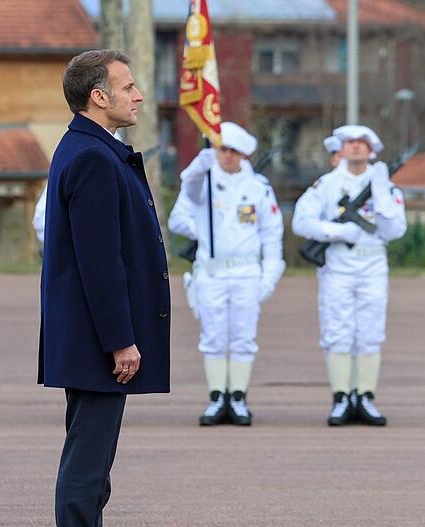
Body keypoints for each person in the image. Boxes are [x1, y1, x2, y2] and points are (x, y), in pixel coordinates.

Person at [38, 49, 170, 527]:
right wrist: (120, 340)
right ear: (98, 96)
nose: (138, 95)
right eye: (128, 86)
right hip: (96, 338)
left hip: (88, 333)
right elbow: (99, 261)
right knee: (88, 464)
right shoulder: (93, 156)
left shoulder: (88, 146)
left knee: (93, 463)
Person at [168, 122, 285, 426]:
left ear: (244, 154)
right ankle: (217, 396)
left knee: (243, 337)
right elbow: (183, 205)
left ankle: (239, 396)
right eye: (223, 149)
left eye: (234, 151)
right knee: (213, 336)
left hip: (246, 272)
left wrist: (269, 277)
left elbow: (272, 235)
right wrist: (199, 167)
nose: (228, 156)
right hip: (212, 272)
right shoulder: (203, 182)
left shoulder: (258, 187)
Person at [292, 125, 407, 427]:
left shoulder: (386, 186)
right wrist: (337, 231)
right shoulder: (327, 185)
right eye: (350, 143)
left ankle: (365, 396)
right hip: (338, 264)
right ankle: (341, 397)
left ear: (372, 150)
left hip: (373, 263)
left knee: (370, 332)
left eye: (362, 143)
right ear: (341, 149)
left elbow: (395, 230)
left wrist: (381, 196)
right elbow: (301, 222)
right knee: (338, 330)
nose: (356, 147)